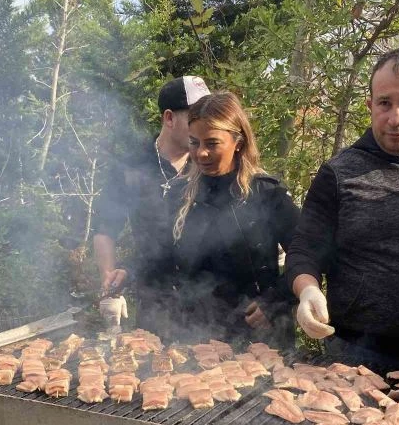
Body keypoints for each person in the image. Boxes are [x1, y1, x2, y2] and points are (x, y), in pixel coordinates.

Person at [285, 47, 399, 367]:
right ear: (370, 105)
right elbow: (304, 249)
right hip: (354, 352)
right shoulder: (338, 173)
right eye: (384, 103)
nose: (395, 118)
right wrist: (307, 291)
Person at [172, 91, 300, 347]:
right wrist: (128, 272)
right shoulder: (180, 195)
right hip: (196, 336)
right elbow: (161, 258)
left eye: (212, 143)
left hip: (261, 336)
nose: (201, 153)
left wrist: (274, 301)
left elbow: (307, 256)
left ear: (238, 142)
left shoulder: (268, 194)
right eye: (194, 143)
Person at [92, 76, 210, 337]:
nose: (204, 125)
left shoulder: (209, 162)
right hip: (155, 303)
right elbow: (105, 230)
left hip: (210, 302)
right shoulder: (131, 166)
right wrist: (109, 283)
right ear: (169, 118)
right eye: (195, 117)